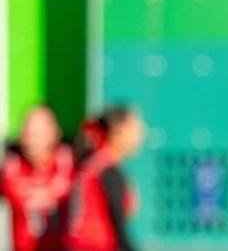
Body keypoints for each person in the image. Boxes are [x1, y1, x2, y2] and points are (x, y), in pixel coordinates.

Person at [61, 106, 144, 251]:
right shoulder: (108, 170)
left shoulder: (92, 164)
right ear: (119, 130)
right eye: (136, 129)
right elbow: (119, 227)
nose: (141, 135)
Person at [1, 106, 75, 250]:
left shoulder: (68, 162)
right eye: (27, 133)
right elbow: (18, 195)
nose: (32, 141)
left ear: (55, 133)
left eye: (38, 134)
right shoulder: (13, 166)